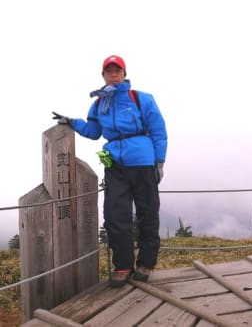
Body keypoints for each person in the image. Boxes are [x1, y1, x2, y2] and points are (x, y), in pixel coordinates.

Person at [52, 55, 167, 288]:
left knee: (148, 213)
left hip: (143, 162)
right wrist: (73, 122)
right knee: (115, 216)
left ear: (124, 74)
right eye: (109, 70)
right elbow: (94, 131)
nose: (113, 74)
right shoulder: (99, 104)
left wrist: (159, 161)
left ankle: (146, 263)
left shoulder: (140, 99)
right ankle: (123, 265)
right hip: (115, 164)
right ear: (103, 75)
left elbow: (158, 130)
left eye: (118, 70)